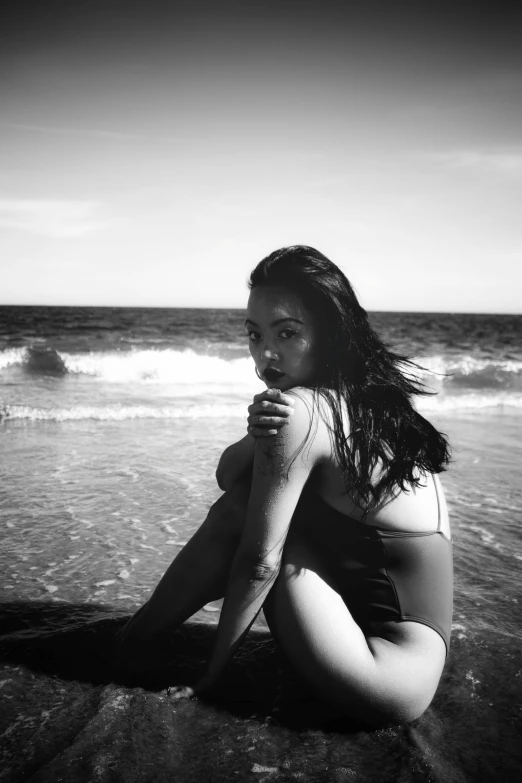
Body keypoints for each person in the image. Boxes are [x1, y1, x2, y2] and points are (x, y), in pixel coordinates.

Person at [116, 245, 452, 727]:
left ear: (330, 334)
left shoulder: (303, 411)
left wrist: (212, 677)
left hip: (379, 679)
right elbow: (229, 471)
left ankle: (133, 643)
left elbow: (258, 560)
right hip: (420, 661)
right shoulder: (373, 403)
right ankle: (138, 638)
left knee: (250, 518)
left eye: (287, 332)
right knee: (252, 503)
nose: (265, 354)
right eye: (255, 335)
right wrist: (258, 438)